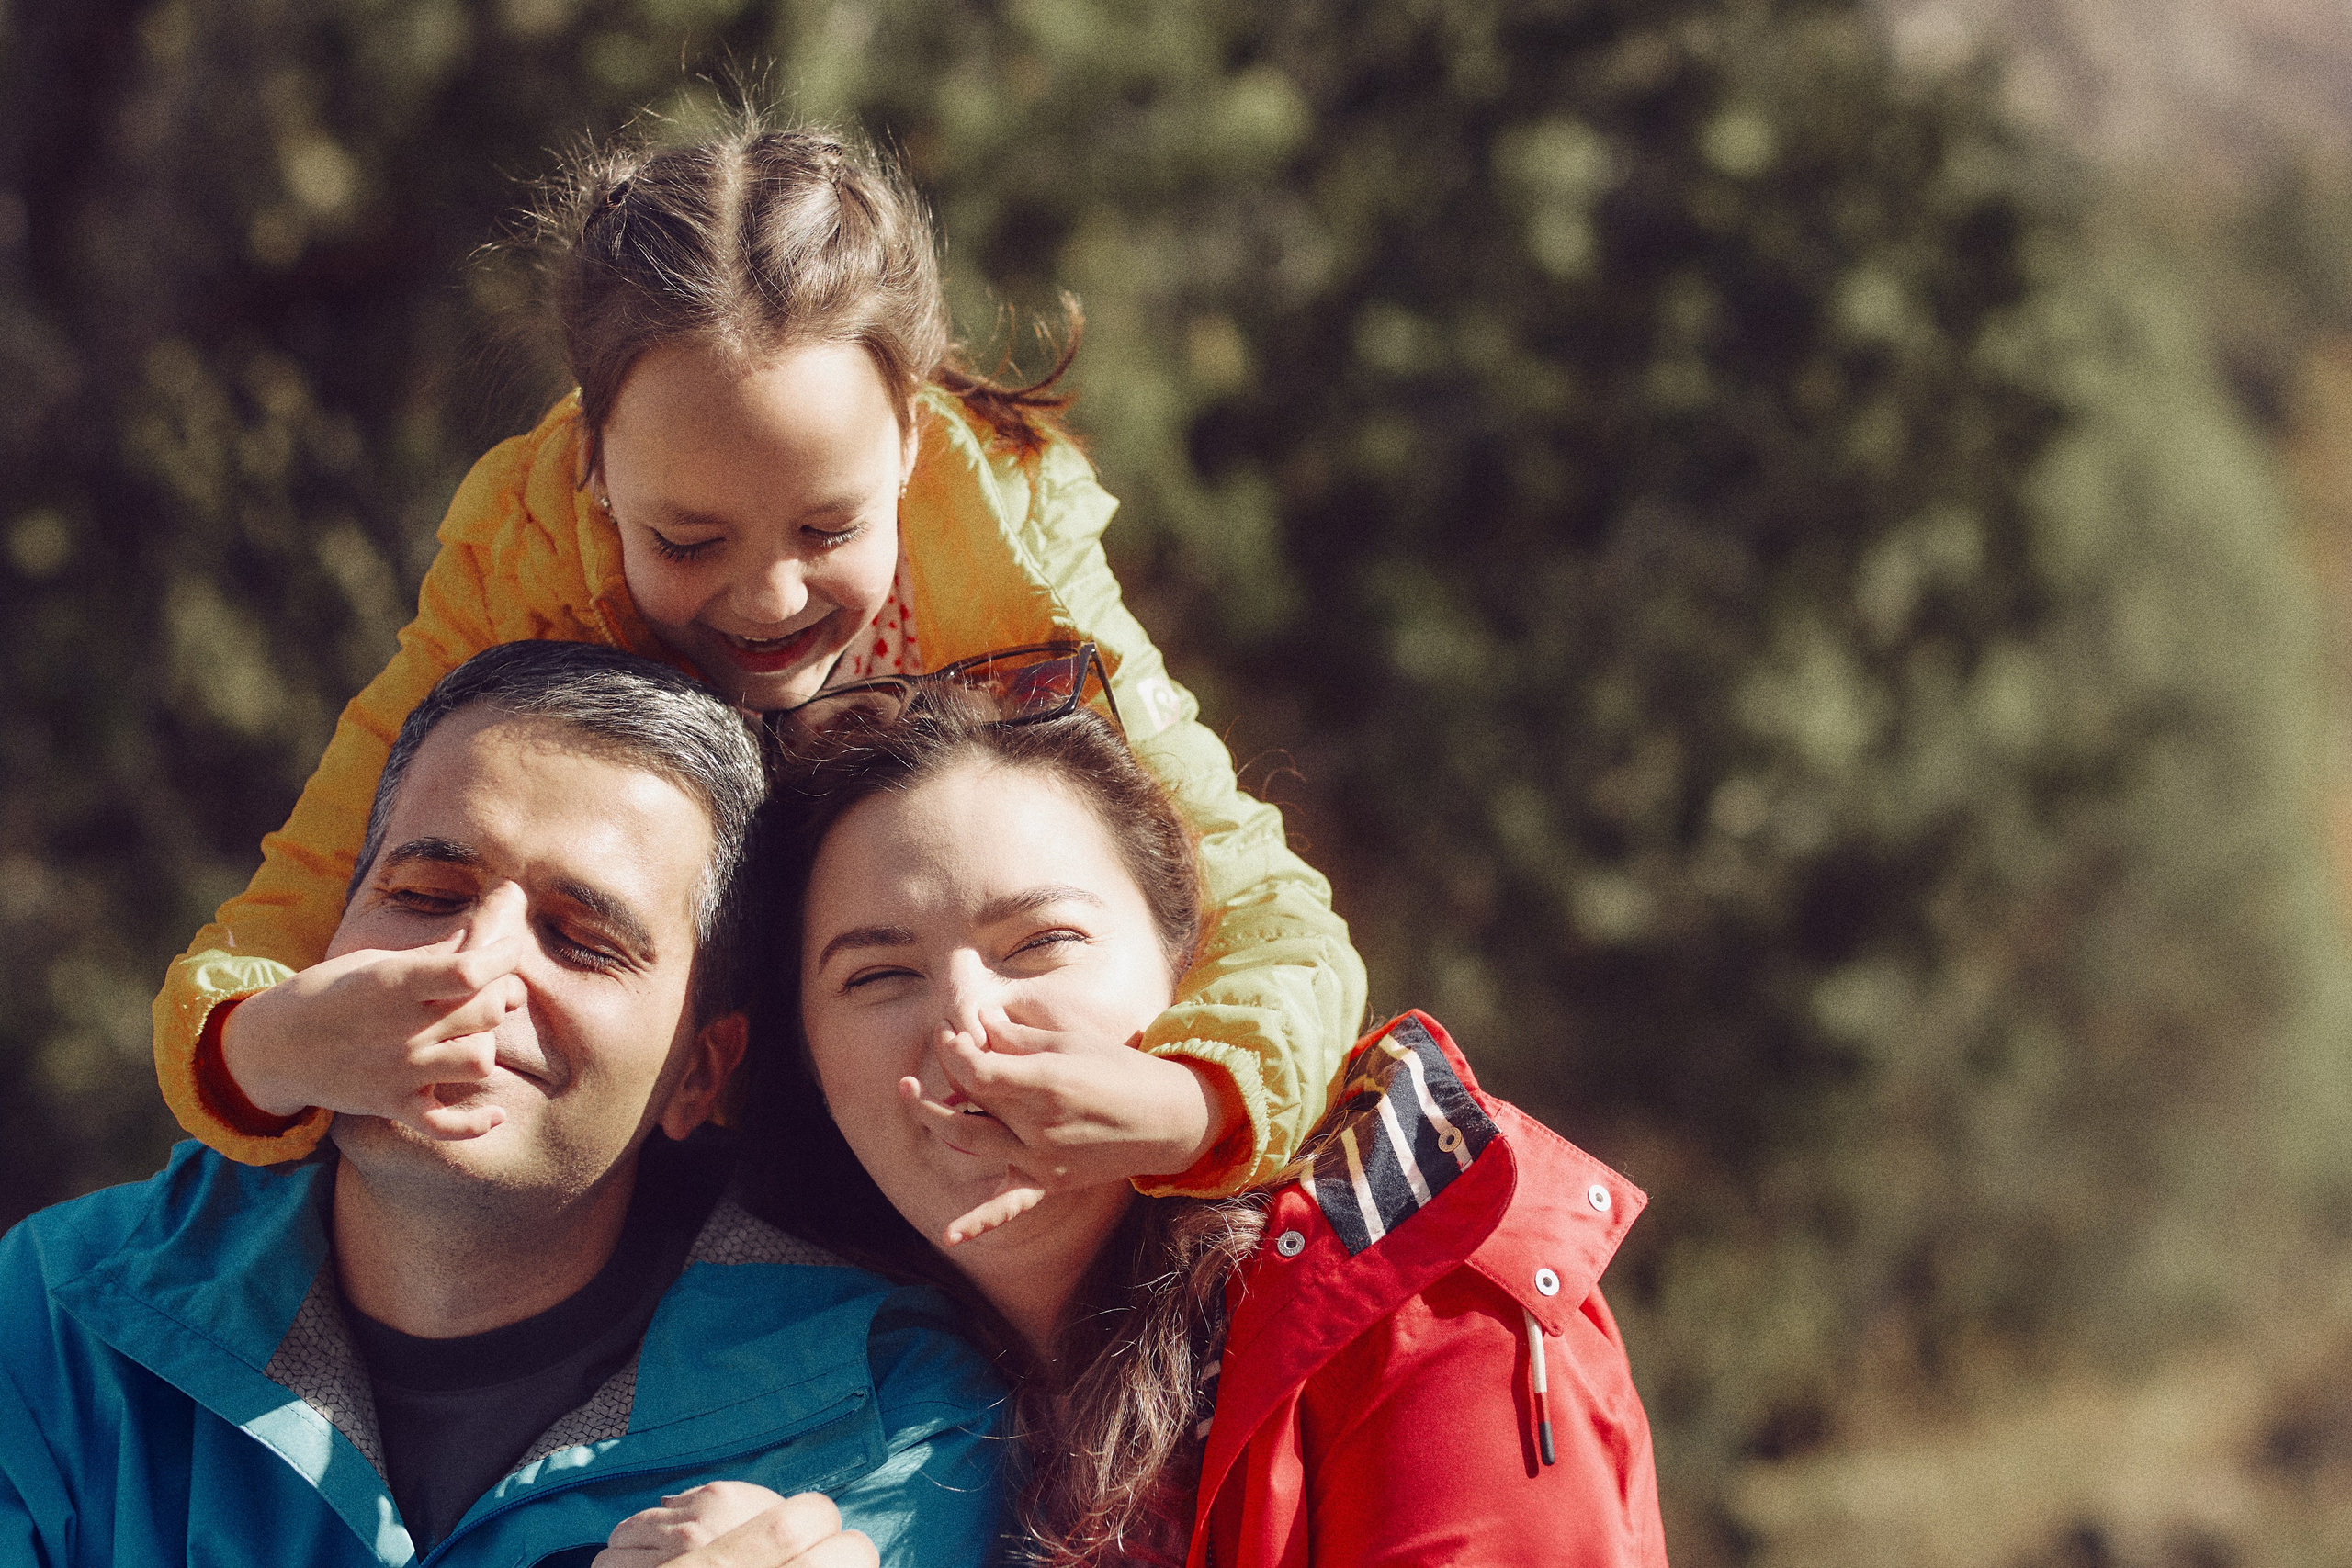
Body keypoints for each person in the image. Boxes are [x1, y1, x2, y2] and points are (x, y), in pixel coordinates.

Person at [150, 111, 1366, 1220]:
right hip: (666, 1188)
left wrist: (1186, 1107)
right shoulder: (519, 574)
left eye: (830, 530)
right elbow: (274, 928)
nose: (770, 595)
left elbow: (1278, 919)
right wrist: (274, 1047)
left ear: (911, 439)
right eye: (685, 539)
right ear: (594, 465)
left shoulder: (1017, 566)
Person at [606, 690, 1668, 1567]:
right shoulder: (800, 1376)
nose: (964, 1022)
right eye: (878, 974)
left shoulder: (1415, 1304)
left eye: (1041, 943)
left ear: (1188, 976)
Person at [0, 644, 1001, 1567]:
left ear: (701, 1070)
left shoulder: (897, 1419)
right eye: (428, 895)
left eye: (582, 939)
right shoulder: (56, 1308)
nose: (471, 966)